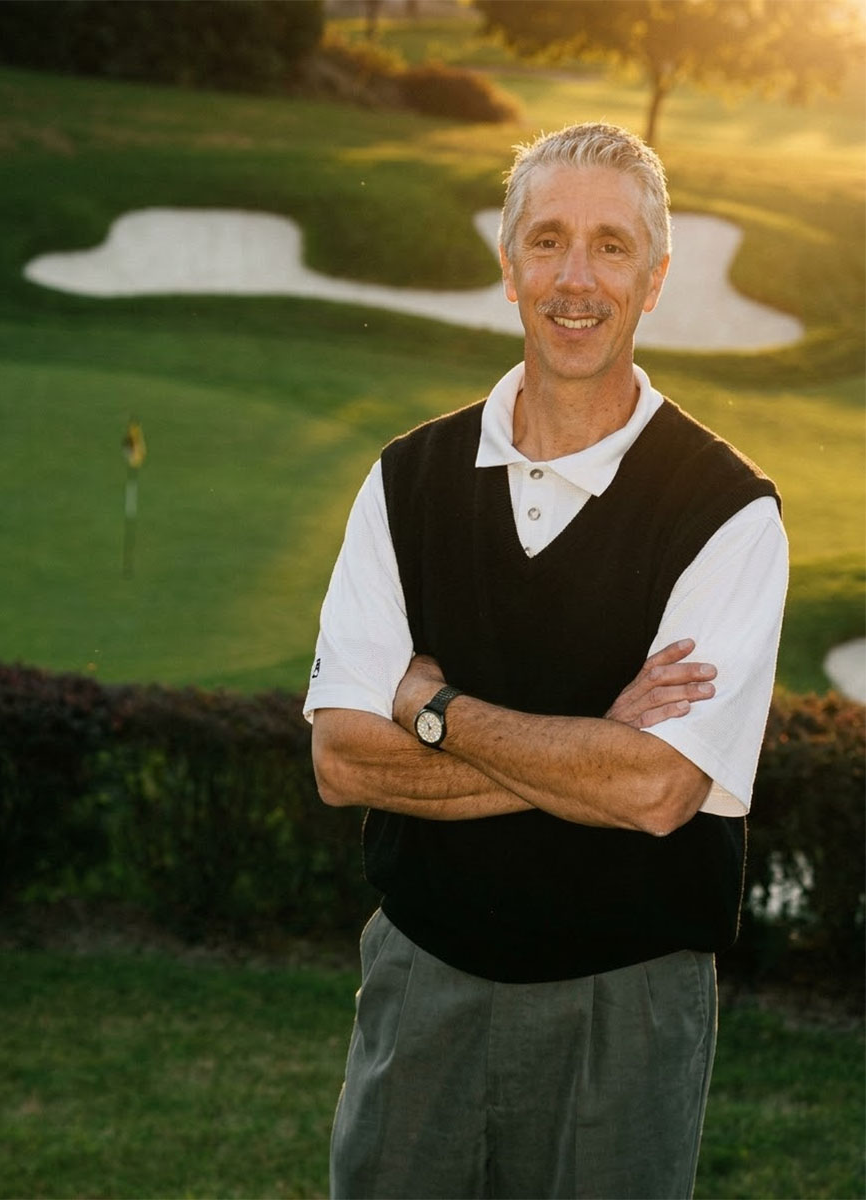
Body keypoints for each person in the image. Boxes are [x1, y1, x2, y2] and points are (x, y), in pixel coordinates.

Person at [304, 122, 787, 1200]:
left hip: (626, 1010)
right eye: (549, 240)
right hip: (421, 983)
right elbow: (344, 760)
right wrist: (590, 746)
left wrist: (433, 707)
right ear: (508, 264)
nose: (577, 278)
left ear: (655, 279)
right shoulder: (405, 482)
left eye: (612, 247)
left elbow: (658, 792)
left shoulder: (726, 513)